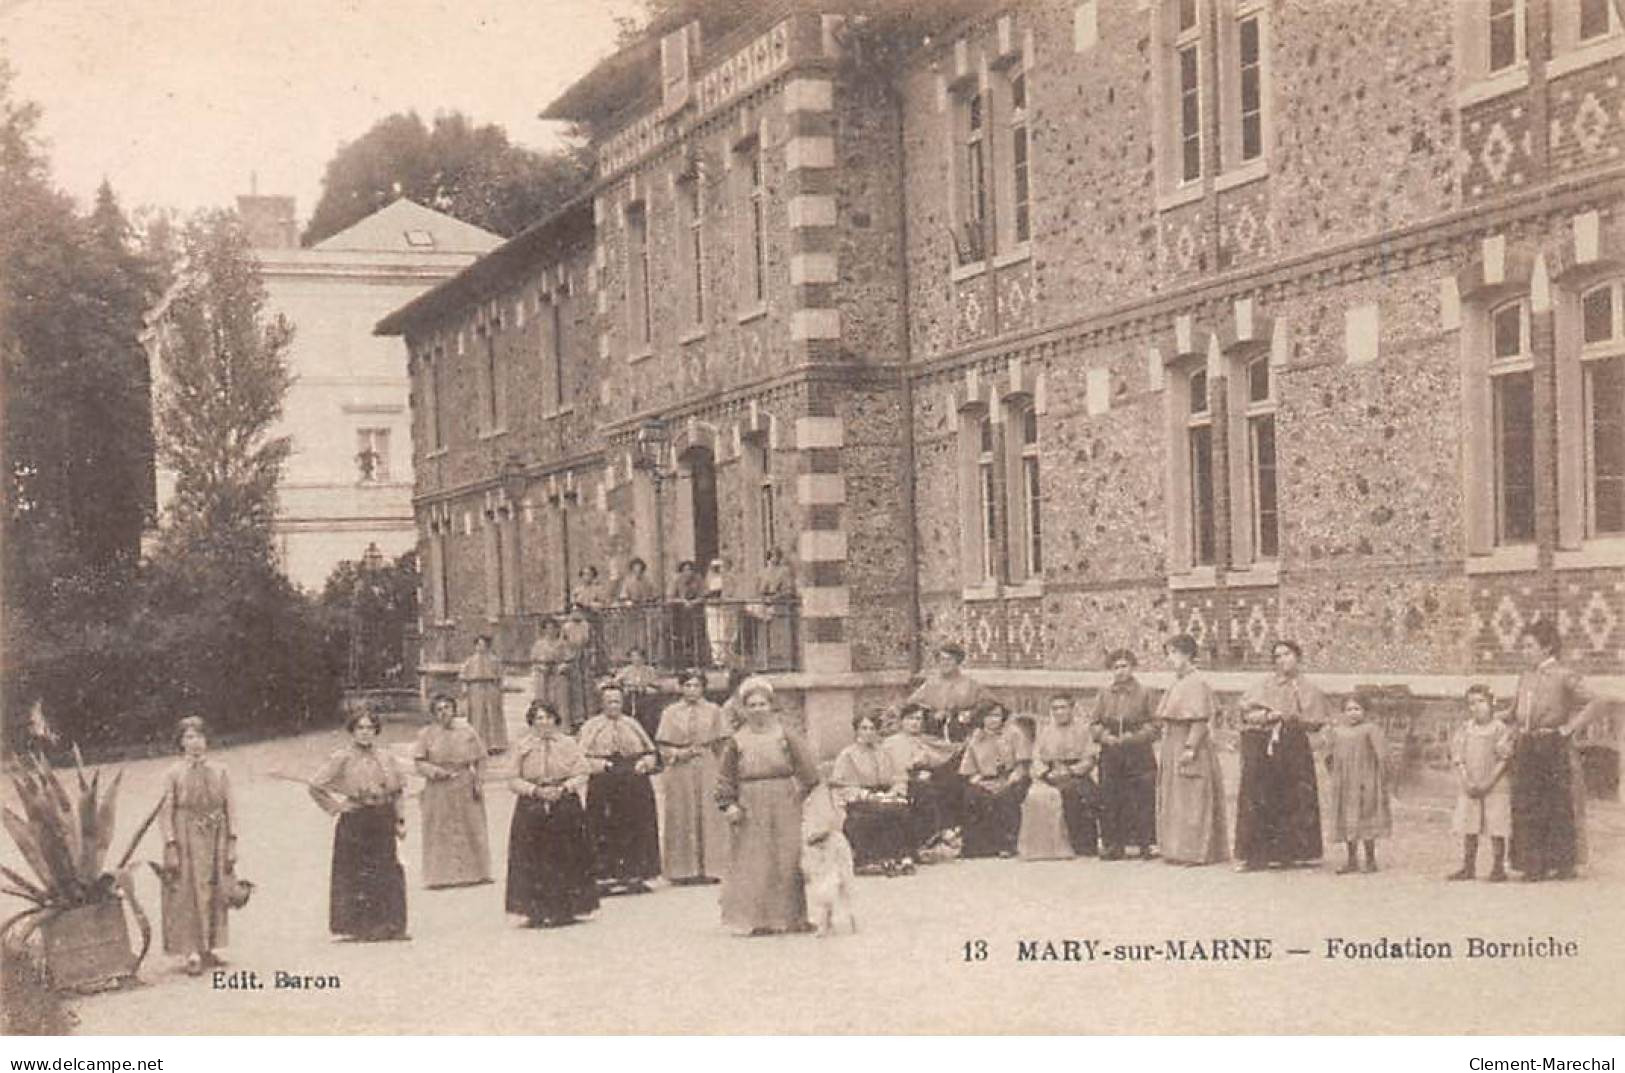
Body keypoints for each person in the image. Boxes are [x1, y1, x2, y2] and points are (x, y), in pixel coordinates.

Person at [1508, 620, 1617, 881]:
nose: (1525, 652)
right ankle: (1533, 864)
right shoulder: (1525, 677)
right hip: (1527, 746)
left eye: (1529, 646)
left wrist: (1569, 729)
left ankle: (1562, 863)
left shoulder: (1563, 675)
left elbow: (1597, 701)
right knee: (1527, 804)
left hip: (1552, 746)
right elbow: (1515, 712)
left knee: (1556, 804)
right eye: (1523, 646)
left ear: (1547, 648)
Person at [715, 676, 821, 936]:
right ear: (743, 708)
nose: (758, 709)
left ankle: (793, 918)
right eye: (752, 705)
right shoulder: (736, 741)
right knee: (755, 859)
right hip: (750, 800)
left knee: (787, 858)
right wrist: (728, 804)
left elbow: (807, 769)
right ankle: (758, 919)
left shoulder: (785, 735)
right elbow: (725, 776)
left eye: (762, 704)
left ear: (771, 706)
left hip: (784, 798)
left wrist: (800, 791)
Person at [308, 710, 408, 941]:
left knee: (387, 869)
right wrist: (336, 807)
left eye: (370, 728)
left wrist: (400, 821)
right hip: (356, 820)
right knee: (358, 873)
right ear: (352, 732)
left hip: (383, 816)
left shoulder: (386, 757)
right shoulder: (341, 758)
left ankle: (390, 925)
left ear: (376, 731)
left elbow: (398, 791)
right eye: (360, 728)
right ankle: (360, 927)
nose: (365, 733)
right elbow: (315, 785)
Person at [1234, 639, 1327, 871]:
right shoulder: (1263, 685)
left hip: (1293, 746)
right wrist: (1267, 716)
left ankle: (1292, 852)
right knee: (1261, 796)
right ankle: (1256, 854)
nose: (1282, 660)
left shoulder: (1308, 688)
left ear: (1298, 657)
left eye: (1287, 654)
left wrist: (1294, 718)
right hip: (1264, 745)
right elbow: (1246, 711)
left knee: (1294, 797)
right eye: (1277, 656)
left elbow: (1315, 721)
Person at [505, 701, 600, 927]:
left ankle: (566, 908)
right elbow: (512, 778)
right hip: (532, 802)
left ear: (556, 720)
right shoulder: (522, 746)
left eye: (548, 718)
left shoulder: (568, 743)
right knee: (532, 855)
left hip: (563, 800)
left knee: (566, 853)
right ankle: (534, 909)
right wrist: (535, 790)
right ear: (531, 722)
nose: (544, 723)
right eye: (538, 718)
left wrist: (564, 789)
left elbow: (582, 771)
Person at [157, 716, 238, 975]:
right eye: (189, 737)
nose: (196, 743)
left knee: (214, 888)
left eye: (200, 737)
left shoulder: (220, 770)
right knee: (188, 891)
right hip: (186, 836)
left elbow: (231, 807)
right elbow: (165, 810)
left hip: (216, 833)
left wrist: (232, 840)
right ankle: (190, 951)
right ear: (181, 742)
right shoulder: (173, 773)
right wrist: (170, 843)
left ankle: (209, 948)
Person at [578, 682, 662, 894]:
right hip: (604, 780)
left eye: (617, 702)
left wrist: (645, 763)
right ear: (602, 704)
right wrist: (600, 765)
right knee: (604, 826)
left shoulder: (632, 724)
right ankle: (605, 876)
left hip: (633, 778)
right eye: (609, 702)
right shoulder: (591, 726)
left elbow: (650, 751)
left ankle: (635, 873)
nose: (613, 706)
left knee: (636, 825)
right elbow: (579, 758)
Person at [1155, 635, 1228, 866]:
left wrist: (1190, 748)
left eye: (1174, 653)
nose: (1170, 659)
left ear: (1187, 654)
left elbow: (1199, 719)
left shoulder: (1196, 682)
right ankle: (1177, 849)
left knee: (1193, 799)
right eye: (1168, 654)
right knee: (1176, 799)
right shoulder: (1178, 682)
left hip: (1188, 744)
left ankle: (1196, 851)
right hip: (1172, 744)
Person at [655, 670, 730, 885]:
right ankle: (682, 871)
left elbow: (723, 743)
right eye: (687, 685)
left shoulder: (714, 711)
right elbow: (662, 745)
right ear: (680, 687)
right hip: (680, 767)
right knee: (682, 812)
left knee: (710, 814)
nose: (692, 690)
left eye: (696, 686)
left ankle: (713, 868)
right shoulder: (670, 712)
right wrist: (678, 753)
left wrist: (723, 769)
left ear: (703, 688)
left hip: (707, 764)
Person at [412, 695, 492, 889]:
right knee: (439, 829)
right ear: (433, 713)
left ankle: (478, 873)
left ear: (454, 710)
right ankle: (439, 877)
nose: (444, 712)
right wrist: (435, 771)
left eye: (447, 707)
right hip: (438, 787)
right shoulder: (426, 734)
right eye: (439, 709)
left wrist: (478, 781)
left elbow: (481, 758)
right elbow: (419, 761)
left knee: (472, 826)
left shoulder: (467, 731)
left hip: (465, 782)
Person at [1092, 649, 1159, 860]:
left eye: (1124, 666)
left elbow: (1156, 724)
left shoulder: (1146, 693)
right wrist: (1106, 737)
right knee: (1111, 796)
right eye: (1116, 667)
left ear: (1132, 668)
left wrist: (1135, 737)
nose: (1120, 671)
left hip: (1138, 753)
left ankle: (1145, 843)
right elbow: (1094, 723)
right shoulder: (1104, 694)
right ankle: (1114, 844)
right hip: (1111, 752)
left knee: (1142, 796)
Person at [830, 711, 914, 874]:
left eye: (872, 729)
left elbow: (899, 776)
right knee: (876, 812)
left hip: (885, 795)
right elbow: (840, 785)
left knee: (900, 809)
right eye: (864, 728)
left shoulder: (885, 752)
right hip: (859, 799)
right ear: (857, 731)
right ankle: (873, 858)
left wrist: (894, 792)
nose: (868, 733)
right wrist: (866, 795)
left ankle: (902, 855)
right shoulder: (847, 755)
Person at [1448, 685, 1513, 882]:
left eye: (1481, 702)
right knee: (1470, 824)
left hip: (1495, 783)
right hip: (1471, 783)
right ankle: (1468, 866)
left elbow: (1504, 759)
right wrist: (1466, 780)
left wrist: (1489, 781)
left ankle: (1498, 867)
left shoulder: (1500, 729)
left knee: (1496, 825)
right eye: (1472, 703)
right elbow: (1458, 757)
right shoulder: (1466, 729)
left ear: (1492, 703)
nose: (1476, 707)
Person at [1024, 694, 1100, 859]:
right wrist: (1045, 772)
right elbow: (1036, 756)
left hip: (1075, 774)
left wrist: (1072, 770)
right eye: (1055, 708)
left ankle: (1081, 845)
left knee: (1077, 793)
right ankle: (1046, 847)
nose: (1059, 712)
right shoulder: (1045, 731)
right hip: (1050, 774)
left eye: (1063, 707)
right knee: (1036, 796)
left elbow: (1089, 758)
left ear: (1072, 709)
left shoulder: (1083, 730)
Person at [881, 702, 963, 854]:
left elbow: (943, 755)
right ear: (902, 721)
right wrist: (917, 771)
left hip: (927, 777)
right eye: (911, 719)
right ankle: (938, 832)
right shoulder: (892, 742)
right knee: (926, 789)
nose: (915, 723)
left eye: (919, 719)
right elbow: (896, 768)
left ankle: (948, 829)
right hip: (904, 781)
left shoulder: (925, 740)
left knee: (953, 781)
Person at [1325, 694, 1391, 874]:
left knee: (1366, 817)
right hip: (1345, 783)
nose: (1353, 713)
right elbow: (1329, 754)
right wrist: (1335, 774)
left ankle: (1370, 860)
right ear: (1343, 712)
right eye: (1349, 709)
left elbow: (1382, 755)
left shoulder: (1371, 729)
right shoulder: (1338, 731)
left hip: (1365, 781)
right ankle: (1351, 859)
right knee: (1348, 818)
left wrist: (1380, 778)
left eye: (1357, 709)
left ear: (1365, 711)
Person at [958, 702, 1027, 858]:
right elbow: (969, 769)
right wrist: (978, 780)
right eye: (988, 716)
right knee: (972, 795)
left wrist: (1011, 779)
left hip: (1011, 777)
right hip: (985, 779)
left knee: (1006, 796)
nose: (992, 720)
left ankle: (1007, 844)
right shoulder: (976, 737)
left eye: (997, 715)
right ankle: (978, 846)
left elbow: (1022, 765)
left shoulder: (1014, 733)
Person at [908, 642, 992, 743]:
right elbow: (911, 705)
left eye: (949, 659)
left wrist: (971, 714)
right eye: (941, 660)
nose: (945, 663)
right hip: (934, 735)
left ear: (958, 661)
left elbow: (990, 704)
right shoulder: (931, 684)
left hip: (963, 734)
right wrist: (931, 714)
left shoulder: (971, 684)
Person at [530, 617, 584, 732]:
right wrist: (540, 667)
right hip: (544, 677)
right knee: (544, 700)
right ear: (544, 630)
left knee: (562, 700)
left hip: (559, 674)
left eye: (553, 628)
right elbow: (534, 661)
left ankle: (563, 727)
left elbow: (570, 660)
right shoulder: (539, 644)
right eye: (547, 628)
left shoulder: (563, 644)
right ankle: (544, 727)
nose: (550, 631)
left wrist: (563, 666)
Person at [458, 635, 507, 754]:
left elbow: (501, 676)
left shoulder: (494, 660)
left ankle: (495, 744)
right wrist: (465, 688)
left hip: (491, 687)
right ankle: (478, 743)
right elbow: (463, 676)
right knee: (477, 715)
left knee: (492, 715)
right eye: (478, 645)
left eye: (483, 645)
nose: (480, 647)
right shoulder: (470, 661)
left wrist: (500, 689)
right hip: (475, 688)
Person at [750, 547, 797, 664]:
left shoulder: (784, 571)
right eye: (771, 556)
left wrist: (775, 597)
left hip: (779, 604)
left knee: (778, 633)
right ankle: (762, 658)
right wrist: (762, 598)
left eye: (776, 556)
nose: (774, 559)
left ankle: (780, 659)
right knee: (762, 632)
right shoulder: (762, 572)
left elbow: (788, 590)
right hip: (764, 604)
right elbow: (757, 589)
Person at [616, 646, 664, 740]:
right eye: (633, 656)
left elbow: (657, 685)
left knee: (648, 718)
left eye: (638, 656)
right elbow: (616, 682)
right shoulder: (626, 670)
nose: (636, 659)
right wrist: (625, 687)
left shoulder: (649, 670)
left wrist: (646, 688)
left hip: (645, 700)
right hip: (630, 698)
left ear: (643, 658)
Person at [671, 559, 707, 667]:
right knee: (682, 638)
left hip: (696, 614)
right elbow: (671, 597)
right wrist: (683, 602)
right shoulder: (677, 581)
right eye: (685, 570)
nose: (688, 572)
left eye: (690, 570)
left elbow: (704, 595)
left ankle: (698, 661)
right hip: (680, 615)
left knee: (697, 637)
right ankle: (683, 662)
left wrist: (694, 602)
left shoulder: (698, 580)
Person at [704, 558, 738, 668]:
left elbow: (730, 593)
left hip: (725, 609)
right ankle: (717, 660)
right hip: (712, 609)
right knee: (714, 634)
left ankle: (726, 659)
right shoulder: (709, 580)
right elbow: (706, 593)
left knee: (725, 633)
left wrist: (723, 598)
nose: (718, 570)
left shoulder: (729, 579)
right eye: (715, 568)